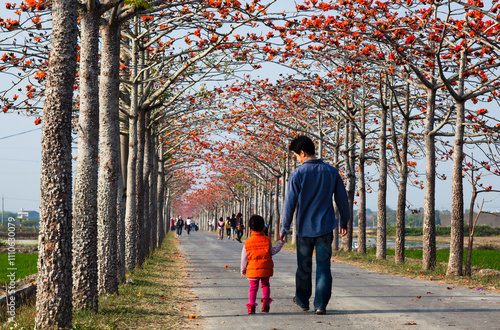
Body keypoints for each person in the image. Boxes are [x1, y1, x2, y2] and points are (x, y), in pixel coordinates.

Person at [279, 135, 350, 315]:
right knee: (324, 268)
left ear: (303, 153)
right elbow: (342, 199)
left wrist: (284, 228)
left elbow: (289, 203)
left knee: (304, 267)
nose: (297, 159)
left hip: (304, 229)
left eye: (296, 156)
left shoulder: (298, 173)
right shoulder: (332, 172)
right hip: (326, 227)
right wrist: (344, 220)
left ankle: (302, 301)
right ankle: (320, 305)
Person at [241, 214, 284, 314]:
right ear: (263, 227)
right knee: (265, 285)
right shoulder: (267, 240)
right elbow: (273, 251)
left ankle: (251, 307)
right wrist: (280, 243)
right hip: (265, 268)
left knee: (253, 288)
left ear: (250, 228)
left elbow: (244, 258)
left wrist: (243, 269)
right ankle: (266, 303)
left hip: (253, 269)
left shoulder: (247, 242)